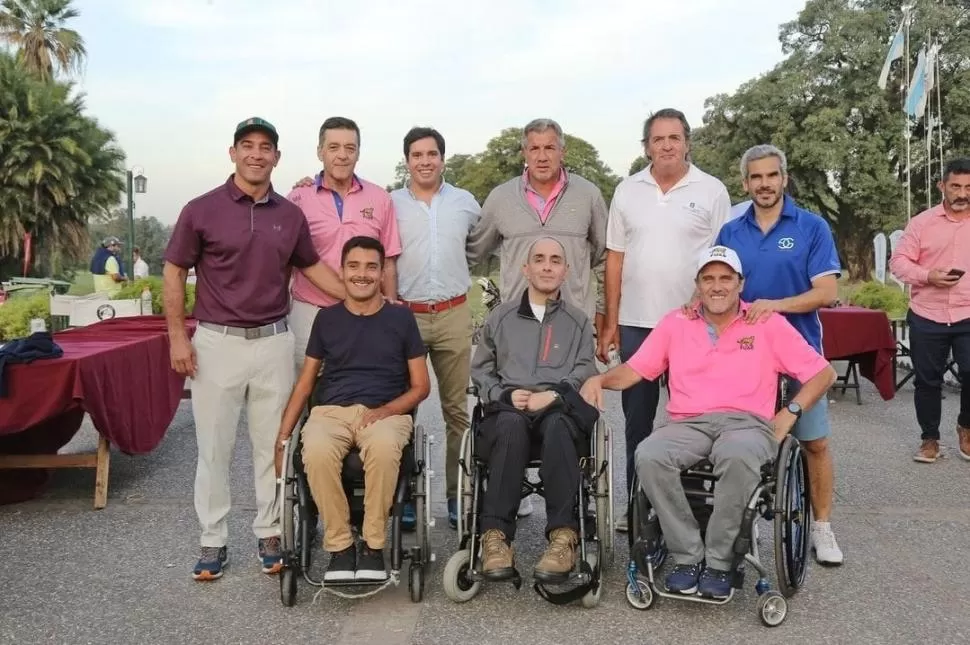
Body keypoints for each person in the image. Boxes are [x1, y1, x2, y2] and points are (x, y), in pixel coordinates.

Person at [581, 246, 836, 598]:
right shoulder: (676, 323)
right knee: (649, 455)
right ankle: (687, 554)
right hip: (688, 423)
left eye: (725, 278)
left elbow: (823, 373)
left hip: (746, 424)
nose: (717, 286)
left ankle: (720, 560)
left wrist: (789, 414)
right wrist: (599, 379)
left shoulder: (766, 324)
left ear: (739, 284)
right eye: (708, 278)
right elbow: (636, 370)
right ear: (698, 285)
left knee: (737, 455)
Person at [162, 117, 346, 582]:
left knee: (274, 446)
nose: (256, 154)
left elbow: (312, 268)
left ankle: (268, 530)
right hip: (216, 343)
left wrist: (360, 297)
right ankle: (212, 540)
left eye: (266, 147)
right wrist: (177, 337)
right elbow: (173, 272)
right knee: (214, 449)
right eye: (248, 146)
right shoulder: (201, 210)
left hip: (273, 342)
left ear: (277, 158)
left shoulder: (289, 214)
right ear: (233, 153)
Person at [466, 117, 608, 518]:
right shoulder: (500, 199)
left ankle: (577, 493)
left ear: (562, 151)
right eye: (534, 148)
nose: (542, 155)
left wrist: (602, 315)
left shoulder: (589, 195)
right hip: (515, 325)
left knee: (568, 408)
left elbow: (601, 255)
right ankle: (514, 493)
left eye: (550, 147)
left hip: (571, 324)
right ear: (524, 153)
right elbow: (474, 250)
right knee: (514, 410)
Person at [599, 108, 731, 530]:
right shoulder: (626, 190)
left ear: (687, 142)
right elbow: (614, 260)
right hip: (637, 325)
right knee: (637, 420)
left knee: (693, 420)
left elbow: (723, 260)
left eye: (675, 138)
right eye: (658, 139)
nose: (667, 146)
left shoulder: (711, 191)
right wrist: (611, 321)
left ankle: (690, 507)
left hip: (695, 325)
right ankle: (636, 503)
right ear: (646, 146)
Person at [713, 144, 844, 566]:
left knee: (815, 443)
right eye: (756, 177)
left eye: (772, 176)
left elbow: (827, 292)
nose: (764, 184)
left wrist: (775, 305)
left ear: (784, 178)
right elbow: (716, 286)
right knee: (742, 440)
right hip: (745, 356)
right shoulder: (731, 232)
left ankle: (822, 527)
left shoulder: (812, 227)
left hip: (801, 353)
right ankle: (737, 523)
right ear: (745, 182)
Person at [274, 236, 430, 582]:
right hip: (332, 412)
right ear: (342, 272)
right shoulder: (327, 320)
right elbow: (305, 383)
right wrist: (283, 438)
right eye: (354, 266)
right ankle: (341, 546)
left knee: (386, 446)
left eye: (371, 267)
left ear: (381, 273)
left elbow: (421, 385)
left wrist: (389, 410)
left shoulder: (401, 319)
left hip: (386, 411)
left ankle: (373, 547)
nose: (362, 274)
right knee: (313, 450)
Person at [469, 237, 599, 581]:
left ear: (565, 271)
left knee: (559, 426)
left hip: (557, 411)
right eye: (539, 259)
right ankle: (495, 537)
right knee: (510, 426)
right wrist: (503, 394)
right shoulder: (501, 317)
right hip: (509, 412)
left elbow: (585, 368)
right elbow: (481, 369)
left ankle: (563, 536)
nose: (547, 266)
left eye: (555, 260)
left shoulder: (578, 322)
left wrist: (556, 395)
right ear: (526, 269)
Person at [390, 127, 481, 530]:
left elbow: (480, 246)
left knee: (456, 411)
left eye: (432, 154)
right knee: (402, 410)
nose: (425, 161)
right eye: (416, 155)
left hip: (452, 313)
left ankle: (456, 495)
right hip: (403, 316)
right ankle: (405, 496)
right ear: (407, 161)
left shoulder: (465, 203)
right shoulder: (390, 203)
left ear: (443, 158)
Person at [286, 116, 402, 374]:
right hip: (310, 313)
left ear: (358, 153)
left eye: (350, 148)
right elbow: (288, 262)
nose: (342, 155)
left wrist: (390, 313)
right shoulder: (297, 198)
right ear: (320, 152)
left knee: (360, 386)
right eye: (334, 147)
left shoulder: (380, 197)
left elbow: (389, 262)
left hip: (366, 311)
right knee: (303, 390)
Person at [890, 157, 970, 464]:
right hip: (927, 313)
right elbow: (898, 263)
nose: (962, 193)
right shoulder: (922, 223)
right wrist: (928, 275)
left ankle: (966, 425)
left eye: (968, 187)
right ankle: (930, 440)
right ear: (942, 186)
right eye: (955, 186)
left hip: (968, 313)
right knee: (927, 380)